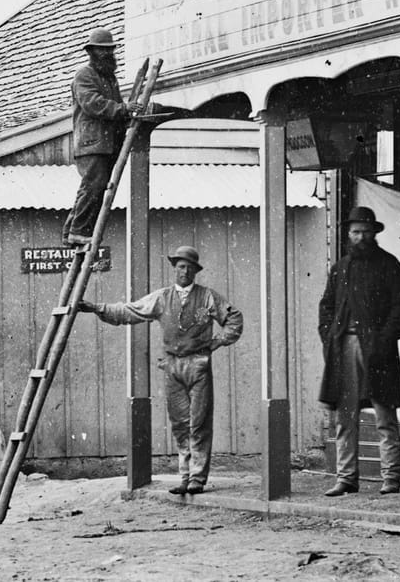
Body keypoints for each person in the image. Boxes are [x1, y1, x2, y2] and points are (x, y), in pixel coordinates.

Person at [77, 245, 244, 495]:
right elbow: (130, 311)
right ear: (174, 269)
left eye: (189, 267)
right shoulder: (162, 297)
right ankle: (185, 477)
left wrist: (219, 340)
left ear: (195, 271)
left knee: (198, 422)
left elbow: (234, 318)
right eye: (180, 266)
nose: (184, 271)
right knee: (179, 423)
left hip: (198, 364)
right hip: (172, 365)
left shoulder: (208, 297)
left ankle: (197, 478)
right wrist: (97, 308)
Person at [318, 206, 400, 498]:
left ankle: (391, 478)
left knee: (385, 415)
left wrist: (383, 342)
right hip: (343, 348)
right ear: (348, 234)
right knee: (344, 417)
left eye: (366, 232)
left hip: (377, 350)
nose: (361, 237)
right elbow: (326, 306)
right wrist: (329, 336)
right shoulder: (340, 268)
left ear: (375, 234)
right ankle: (346, 477)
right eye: (355, 232)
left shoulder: (389, 265)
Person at [63, 28, 143, 248]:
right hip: (92, 143)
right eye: (101, 50)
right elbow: (93, 103)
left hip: (107, 144)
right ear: (91, 51)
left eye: (109, 50)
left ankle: (72, 232)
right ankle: (78, 231)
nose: (106, 54)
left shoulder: (110, 78)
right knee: (93, 186)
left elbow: (115, 108)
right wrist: (123, 109)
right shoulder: (84, 75)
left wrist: (126, 114)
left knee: (95, 187)